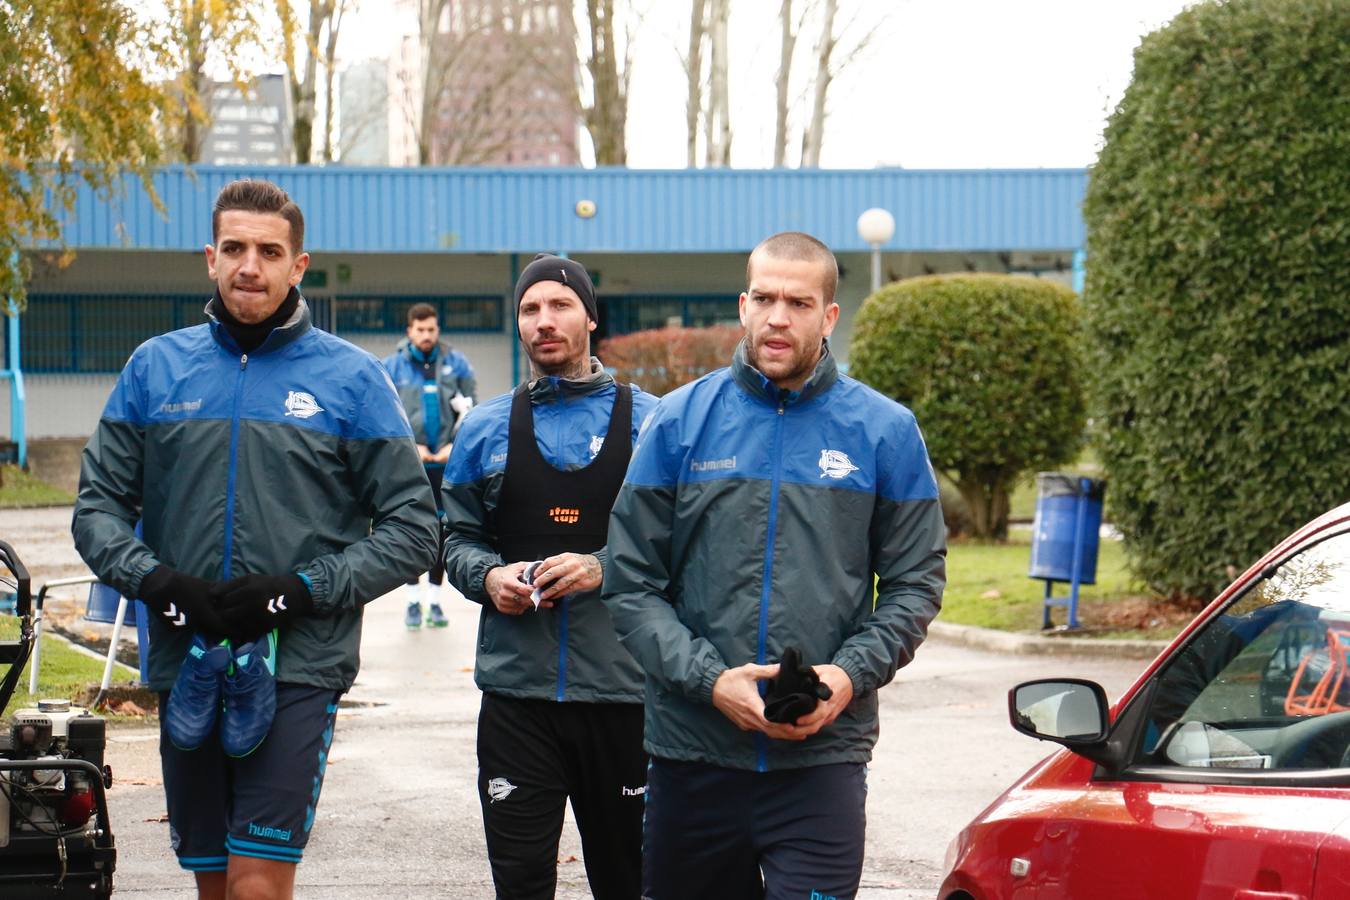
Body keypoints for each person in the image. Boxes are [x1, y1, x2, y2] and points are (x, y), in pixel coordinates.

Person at [72, 179, 438, 900]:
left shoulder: (352, 379)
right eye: (234, 248)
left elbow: (414, 530)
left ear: (298, 266)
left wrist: (297, 591)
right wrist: (159, 584)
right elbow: (96, 511)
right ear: (210, 259)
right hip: (188, 665)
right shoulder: (155, 369)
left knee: (257, 886)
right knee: (215, 885)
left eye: (270, 251)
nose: (250, 266)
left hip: (299, 666)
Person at [603, 231, 947, 899]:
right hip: (692, 757)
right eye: (764, 297)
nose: (778, 317)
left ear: (829, 315)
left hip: (820, 764)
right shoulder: (678, 423)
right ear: (742, 305)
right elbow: (630, 584)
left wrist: (845, 679)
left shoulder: (885, 431)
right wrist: (710, 682)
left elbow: (915, 583)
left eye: (798, 300)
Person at [442, 253, 657, 900]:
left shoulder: (653, 425)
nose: (544, 320)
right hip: (516, 700)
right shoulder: (481, 429)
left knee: (630, 882)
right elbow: (455, 539)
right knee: (521, 883)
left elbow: (685, 548)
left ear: (590, 316)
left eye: (560, 305)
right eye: (530, 309)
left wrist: (603, 567)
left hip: (624, 697)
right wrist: (488, 577)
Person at [382, 303, 477, 629]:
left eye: (431, 330)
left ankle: (435, 603)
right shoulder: (391, 367)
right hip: (411, 462)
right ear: (409, 331)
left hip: (447, 464)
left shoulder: (457, 364)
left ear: (438, 330)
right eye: (420, 330)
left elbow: (471, 410)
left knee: (440, 534)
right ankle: (412, 602)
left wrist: (455, 445)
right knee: (409, 531)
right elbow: (384, 415)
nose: (426, 336)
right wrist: (412, 448)